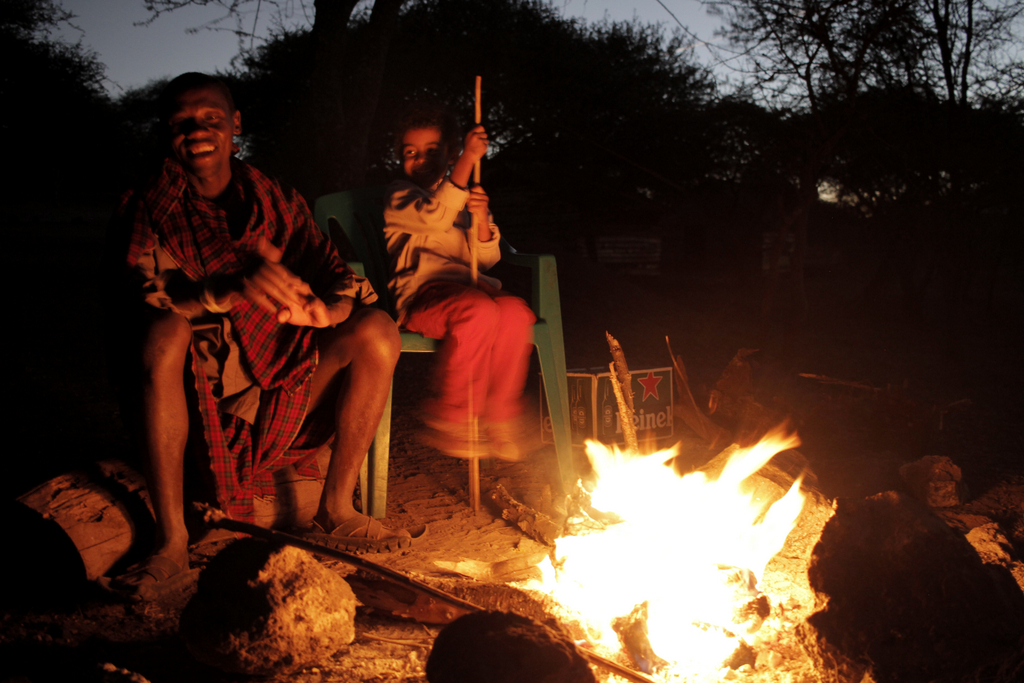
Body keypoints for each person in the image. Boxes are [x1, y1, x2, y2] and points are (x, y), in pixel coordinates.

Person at [109, 73, 411, 599]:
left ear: (235, 125)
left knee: (378, 327)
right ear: (166, 130)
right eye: (182, 121)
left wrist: (327, 310)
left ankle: (336, 509)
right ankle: (172, 541)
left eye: (210, 118)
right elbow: (137, 301)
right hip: (200, 404)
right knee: (162, 332)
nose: (197, 130)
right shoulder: (149, 205)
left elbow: (339, 273)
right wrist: (221, 291)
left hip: (284, 386)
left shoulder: (271, 200)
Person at [384, 103, 535, 461]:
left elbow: (485, 259)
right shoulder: (400, 196)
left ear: (447, 152)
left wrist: (481, 218)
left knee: (516, 312)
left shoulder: (464, 198)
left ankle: (499, 416)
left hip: (469, 291)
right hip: (424, 298)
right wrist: (468, 159)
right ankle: (454, 415)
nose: (421, 159)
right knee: (479, 311)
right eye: (410, 152)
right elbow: (436, 215)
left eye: (433, 151)